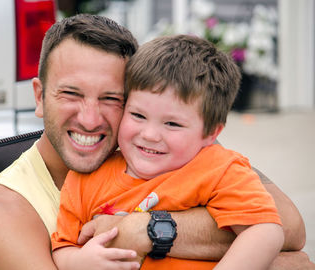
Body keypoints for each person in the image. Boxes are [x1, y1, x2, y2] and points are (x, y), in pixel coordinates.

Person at [0, 14, 313, 270]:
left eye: (111, 99)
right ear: (40, 97)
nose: (89, 118)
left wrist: (143, 230)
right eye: (71, 94)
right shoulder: (1, 213)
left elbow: (290, 230)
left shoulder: (165, 148)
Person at [51, 34, 284, 269]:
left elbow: (264, 230)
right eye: (138, 115)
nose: (150, 134)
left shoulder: (218, 168)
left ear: (211, 133)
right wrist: (80, 261)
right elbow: (63, 247)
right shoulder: (85, 179)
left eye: (172, 124)